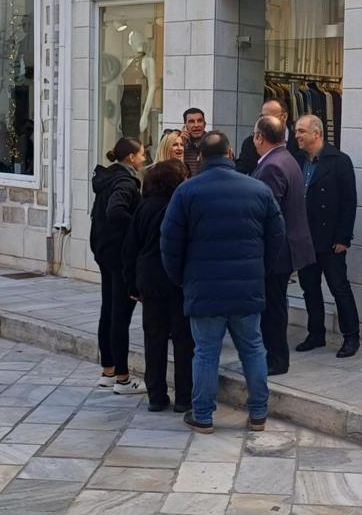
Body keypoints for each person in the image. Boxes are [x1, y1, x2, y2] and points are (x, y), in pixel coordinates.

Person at [161, 131, 285, 434]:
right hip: (247, 289)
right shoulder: (258, 190)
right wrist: (260, 271)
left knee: (205, 352)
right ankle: (259, 414)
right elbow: (277, 238)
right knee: (253, 349)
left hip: (204, 289)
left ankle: (203, 415)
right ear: (230, 154)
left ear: (202, 157)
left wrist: (181, 279)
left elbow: (169, 242)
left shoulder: (187, 191)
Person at [123, 159, 194, 413]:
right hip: (177, 280)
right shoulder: (180, 206)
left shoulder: (144, 207)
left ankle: (156, 395)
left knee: (154, 337)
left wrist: (131, 284)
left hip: (150, 279)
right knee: (183, 339)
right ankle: (184, 397)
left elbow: (130, 247)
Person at [251, 115, 316, 376]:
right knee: (276, 304)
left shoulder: (272, 166)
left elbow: (269, 214)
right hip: (287, 246)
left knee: (272, 307)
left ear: (259, 137)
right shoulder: (286, 158)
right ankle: (276, 356)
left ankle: (276, 359)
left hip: (277, 251)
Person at [293, 115, 362, 358]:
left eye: (301, 131)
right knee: (309, 289)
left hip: (331, 239)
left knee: (339, 288)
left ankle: (351, 337)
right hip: (305, 238)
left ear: (316, 133)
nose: (297, 135)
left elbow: (349, 202)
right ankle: (316, 334)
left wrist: (343, 238)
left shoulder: (339, 161)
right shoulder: (298, 160)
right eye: (296, 131)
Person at [89, 137, 147, 394]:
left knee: (109, 310)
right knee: (120, 315)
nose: (144, 158)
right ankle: (123, 379)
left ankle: (108, 371)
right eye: (142, 154)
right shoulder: (125, 182)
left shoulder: (108, 177)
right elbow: (115, 211)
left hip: (104, 252)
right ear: (131, 158)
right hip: (119, 256)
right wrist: (137, 228)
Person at [236, 100, 301, 175]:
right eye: (262, 117)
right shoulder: (251, 142)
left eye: (269, 117)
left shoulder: (298, 141)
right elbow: (239, 172)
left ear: (284, 117)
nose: (264, 121)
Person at [179, 108, 207, 177]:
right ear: (185, 126)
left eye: (199, 121)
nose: (196, 125)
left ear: (204, 124)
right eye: (191, 122)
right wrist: (182, 144)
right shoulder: (178, 145)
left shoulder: (213, 144)